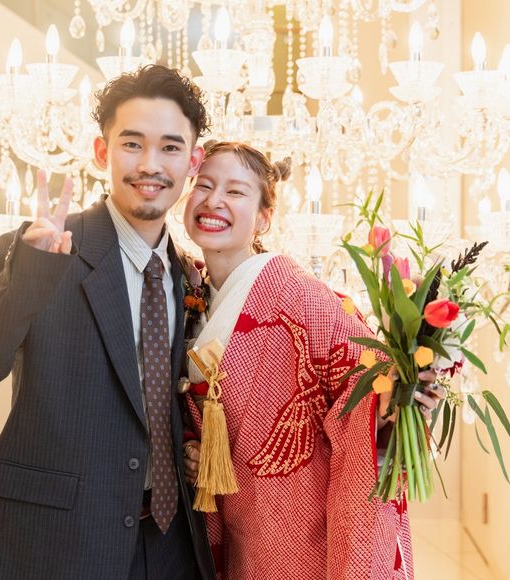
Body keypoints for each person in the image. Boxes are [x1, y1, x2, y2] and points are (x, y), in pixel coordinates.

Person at [0, 65, 216, 580]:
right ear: (101, 152)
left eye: (170, 147)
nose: (150, 164)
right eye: (132, 144)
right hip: (58, 543)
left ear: (192, 162)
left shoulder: (188, 275)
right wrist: (30, 274)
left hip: (170, 546)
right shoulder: (44, 247)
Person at [181, 141, 443, 579]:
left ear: (264, 218)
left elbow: (362, 388)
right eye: (203, 186)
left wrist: (393, 403)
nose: (214, 201)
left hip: (301, 525)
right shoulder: (185, 294)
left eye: (235, 191)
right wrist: (192, 445)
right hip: (232, 526)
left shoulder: (303, 296)